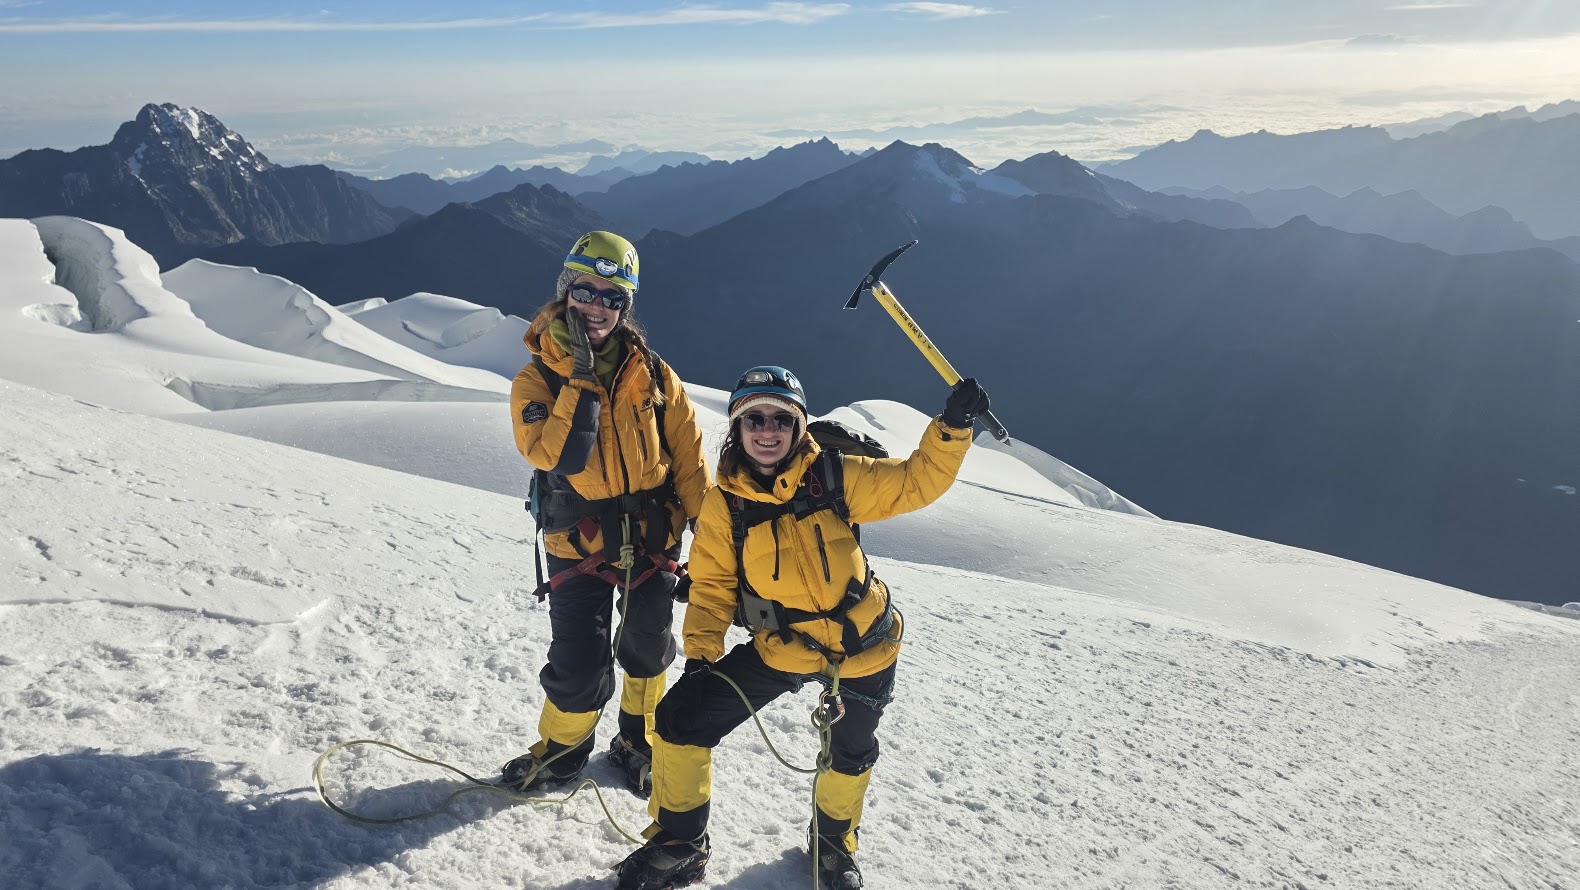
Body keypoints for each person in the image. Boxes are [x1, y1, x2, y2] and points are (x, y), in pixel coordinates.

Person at [615, 365, 991, 890]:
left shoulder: (835, 475)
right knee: (680, 718)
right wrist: (701, 658)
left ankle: (833, 848)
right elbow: (712, 586)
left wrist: (951, 427)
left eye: (780, 420)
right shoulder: (727, 504)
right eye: (754, 420)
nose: (767, 431)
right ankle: (680, 843)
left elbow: (915, 482)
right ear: (738, 428)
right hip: (784, 648)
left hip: (866, 645)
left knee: (850, 752)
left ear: (798, 426)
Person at [503, 231, 709, 798]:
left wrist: (712, 538)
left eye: (613, 297)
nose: (597, 306)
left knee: (648, 647)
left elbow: (689, 462)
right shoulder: (537, 379)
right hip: (577, 542)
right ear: (566, 292)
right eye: (586, 291)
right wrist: (581, 377)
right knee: (577, 660)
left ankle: (637, 743)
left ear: (626, 307)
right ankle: (562, 752)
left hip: (652, 535)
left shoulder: (654, 374)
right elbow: (552, 453)